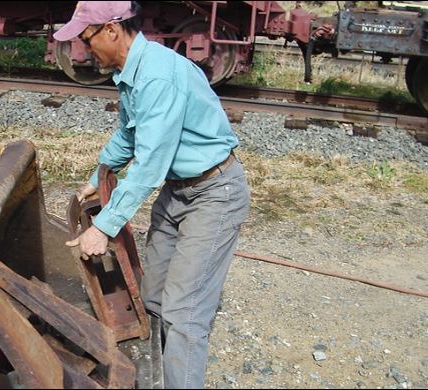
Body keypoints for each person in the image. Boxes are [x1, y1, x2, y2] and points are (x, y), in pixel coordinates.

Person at [57, 2, 251, 388]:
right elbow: (130, 133)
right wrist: (101, 174)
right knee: (154, 294)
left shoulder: (157, 76)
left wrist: (105, 227)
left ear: (112, 30)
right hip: (178, 191)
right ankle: (159, 375)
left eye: (86, 38)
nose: (83, 49)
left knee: (185, 311)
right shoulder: (132, 71)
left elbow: (150, 163)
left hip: (214, 193)